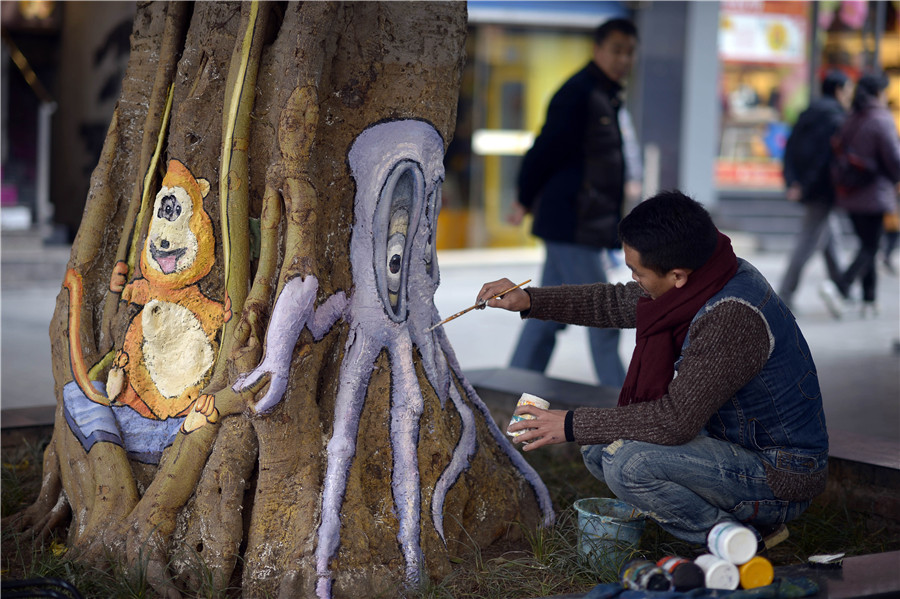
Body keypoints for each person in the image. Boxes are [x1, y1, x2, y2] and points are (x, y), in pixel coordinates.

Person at [479, 191, 828, 548]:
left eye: (637, 272)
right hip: (732, 444)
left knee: (628, 464)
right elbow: (614, 301)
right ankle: (723, 522)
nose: (634, 280)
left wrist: (569, 423)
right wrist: (530, 300)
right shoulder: (709, 271)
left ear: (677, 275)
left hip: (779, 473)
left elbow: (674, 421)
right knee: (599, 446)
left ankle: (737, 541)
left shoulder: (731, 316)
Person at [506, 18, 639, 387]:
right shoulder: (579, 93)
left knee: (545, 315)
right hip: (571, 224)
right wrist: (523, 197)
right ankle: (626, 404)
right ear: (597, 50)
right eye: (616, 50)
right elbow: (544, 150)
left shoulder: (605, 94)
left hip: (580, 224)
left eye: (629, 52)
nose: (623, 59)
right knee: (604, 314)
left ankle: (511, 388)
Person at [820, 71, 900, 318]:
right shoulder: (881, 118)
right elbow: (894, 158)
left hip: (850, 193)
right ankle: (839, 287)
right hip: (874, 194)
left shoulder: (851, 117)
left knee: (868, 244)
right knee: (870, 246)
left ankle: (868, 299)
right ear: (879, 92)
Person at [779, 70, 853, 311]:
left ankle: (843, 287)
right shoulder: (836, 118)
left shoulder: (807, 113)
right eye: (848, 90)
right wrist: (805, 186)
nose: (850, 95)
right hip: (821, 189)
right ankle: (785, 295)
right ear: (839, 90)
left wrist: (793, 181)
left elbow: (789, 149)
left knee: (830, 236)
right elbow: (823, 159)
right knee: (808, 241)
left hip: (808, 186)